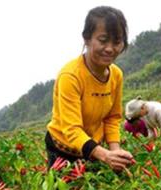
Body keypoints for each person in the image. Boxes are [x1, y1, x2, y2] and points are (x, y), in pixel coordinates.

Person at [46, 6, 133, 172]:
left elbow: (112, 118)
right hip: (63, 149)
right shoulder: (70, 76)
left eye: (117, 42)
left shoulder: (116, 75)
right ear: (87, 38)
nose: (110, 48)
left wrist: (115, 152)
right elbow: (72, 129)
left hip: (93, 147)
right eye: (102, 40)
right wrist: (106, 156)